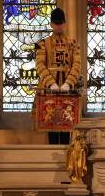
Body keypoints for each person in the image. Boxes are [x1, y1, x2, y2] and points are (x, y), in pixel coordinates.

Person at [34, 8, 81, 144]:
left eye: (60, 23)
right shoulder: (42, 44)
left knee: (67, 128)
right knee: (51, 127)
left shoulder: (73, 43)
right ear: (51, 24)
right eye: (56, 23)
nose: (58, 26)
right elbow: (40, 65)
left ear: (64, 23)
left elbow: (77, 65)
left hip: (68, 92)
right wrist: (51, 83)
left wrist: (69, 83)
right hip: (49, 91)